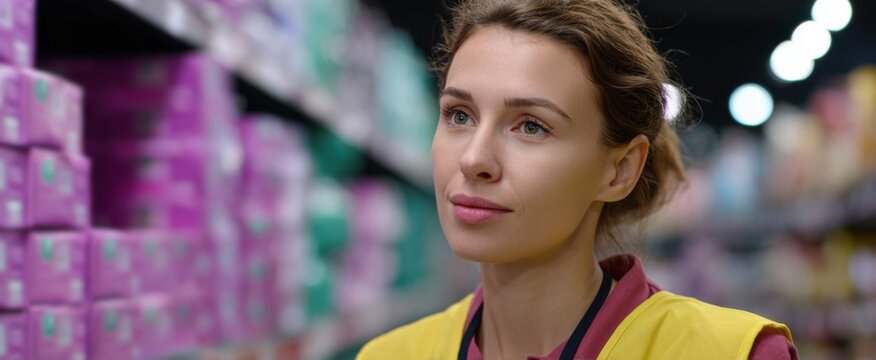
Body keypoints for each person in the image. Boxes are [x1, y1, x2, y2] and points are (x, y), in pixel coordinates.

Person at [357, 0, 797, 358]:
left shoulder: (734, 353)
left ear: (619, 170)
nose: (474, 159)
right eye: (459, 115)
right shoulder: (389, 355)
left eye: (531, 126)